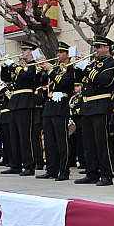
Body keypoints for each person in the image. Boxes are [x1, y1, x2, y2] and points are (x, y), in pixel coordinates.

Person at [74, 35, 114, 186]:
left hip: (100, 105)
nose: (95, 50)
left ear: (107, 47)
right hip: (87, 107)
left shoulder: (112, 62)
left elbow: (104, 80)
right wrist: (79, 66)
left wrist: (86, 68)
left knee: (102, 143)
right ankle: (91, 173)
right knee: (88, 143)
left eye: (99, 47)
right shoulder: (93, 63)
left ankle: (106, 174)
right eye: (95, 47)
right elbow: (82, 80)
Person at [37, 41, 76, 181]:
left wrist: (50, 70)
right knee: (49, 140)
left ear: (67, 54)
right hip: (49, 106)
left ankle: (64, 170)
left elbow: (63, 83)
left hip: (61, 106)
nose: (58, 55)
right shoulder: (55, 69)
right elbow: (42, 83)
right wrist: (42, 70)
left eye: (61, 52)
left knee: (61, 140)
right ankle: (51, 169)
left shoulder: (70, 68)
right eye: (57, 52)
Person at [0, 40, 38, 176]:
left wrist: (13, 66)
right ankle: (15, 164)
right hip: (15, 103)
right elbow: (6, 78)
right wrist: (5, 66)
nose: (22, 52)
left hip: (26, 102)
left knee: (25, 136)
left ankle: (29, 165)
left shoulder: (34, 65)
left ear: (32, 52)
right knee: (14, 136)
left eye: (25, 50)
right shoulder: (21, 66)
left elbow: (26, 76)